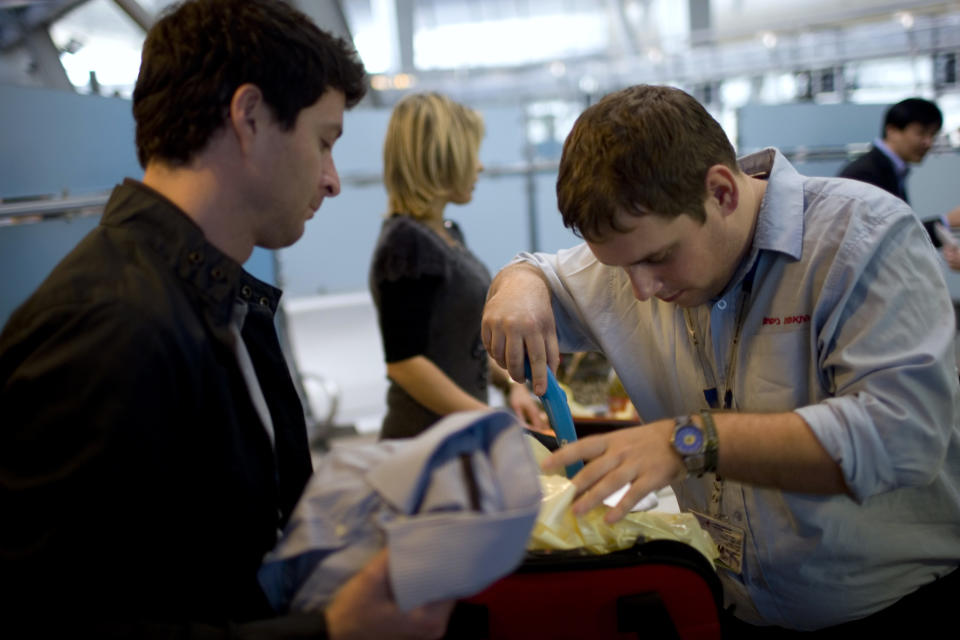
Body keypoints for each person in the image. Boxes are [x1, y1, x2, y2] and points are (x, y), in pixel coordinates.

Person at [0, 1, 451, 638]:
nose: (331, 180)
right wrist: (334, 631)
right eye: (323, 141)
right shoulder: (111, 324)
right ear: (249, 117)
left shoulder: (206, 300)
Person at [481, 84, 960, 635]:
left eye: (658, 258)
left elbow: (902, 435)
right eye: (620, 267)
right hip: (731, 605)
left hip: (888, 607)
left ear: (722, 192)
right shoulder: (639, 261)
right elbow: (542, 270)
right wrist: (518, 285)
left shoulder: (862, 239)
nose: (640, 290)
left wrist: (688, 441)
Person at [369, 92, 546, 439]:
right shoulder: (405, 243)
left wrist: (511, 386)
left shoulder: (445, 234)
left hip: (457, 435)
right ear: (441, 157)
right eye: (472, 153)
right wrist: (488, 417)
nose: (479, 166)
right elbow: (405, 363)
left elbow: (465, 340)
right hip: (424, 441)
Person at [837, 97, 957, 255]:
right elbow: (887, 239)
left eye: (932, 135)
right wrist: (946, 221)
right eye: (921, 133)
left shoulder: (889, 169)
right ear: (892, 130)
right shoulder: (866, 173)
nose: (928, 142)